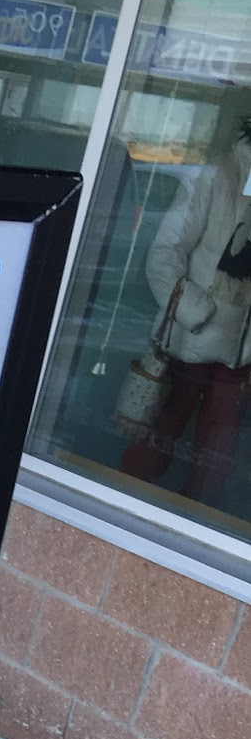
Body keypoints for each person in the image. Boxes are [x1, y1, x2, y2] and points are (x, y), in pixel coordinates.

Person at [122, 113, 251, 502]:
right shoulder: (216, 175)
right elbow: (164, 253)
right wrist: (196, 312)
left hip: (240, 359)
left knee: (214, 466)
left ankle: (192, 518)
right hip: (189, 345)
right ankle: (125, 510)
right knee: (154, 444)